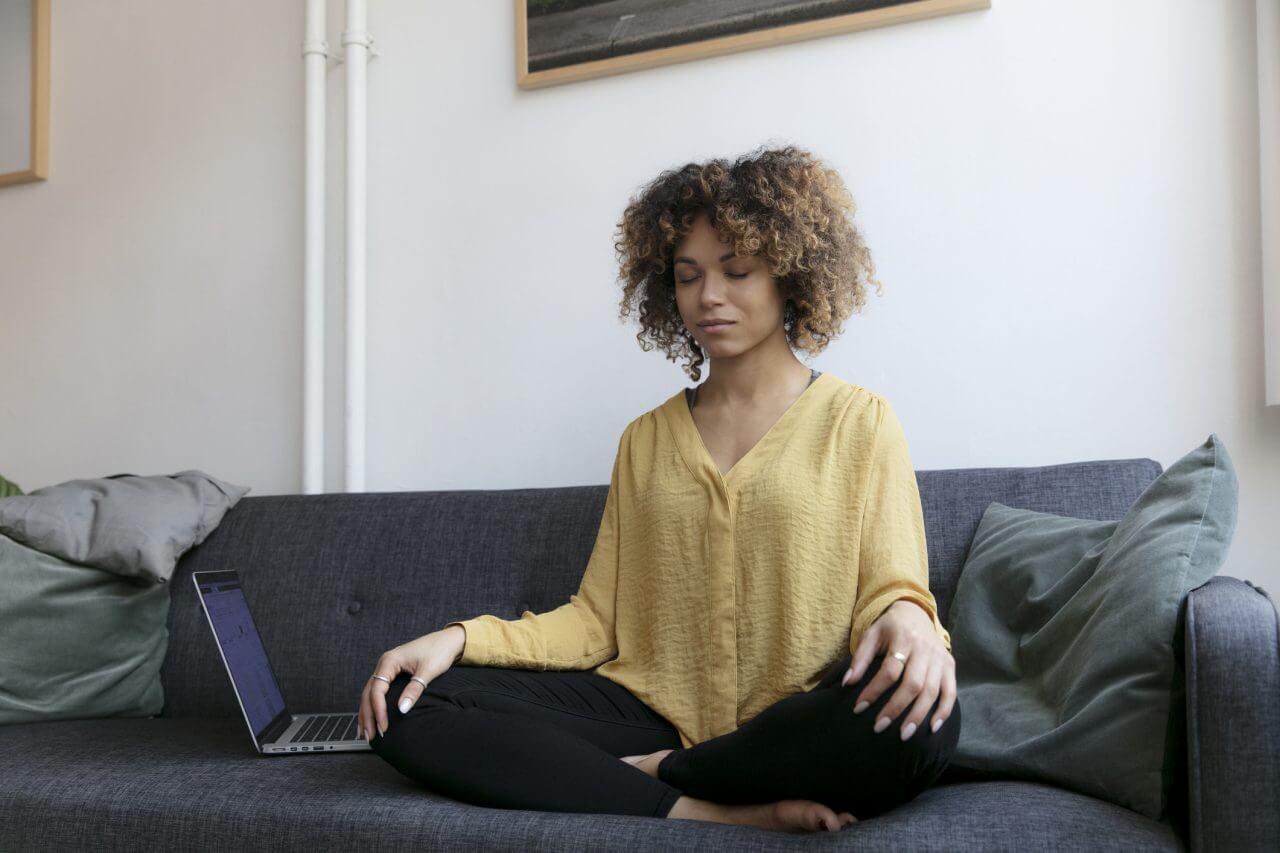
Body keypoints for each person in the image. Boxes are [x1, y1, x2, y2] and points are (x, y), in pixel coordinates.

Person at [356, 144, 961, 833]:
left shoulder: (861, 421)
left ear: (791, 276)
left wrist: (913, 617)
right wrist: (461, 640)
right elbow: (595, 622)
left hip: (797, 718)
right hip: (651, 712)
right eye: (688, 275)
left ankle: (654, 773)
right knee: (407, 704)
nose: (709, 296)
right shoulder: (644, 440)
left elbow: (894, 589)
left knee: (920, 727)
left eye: (737, 271)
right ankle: (697, 804)